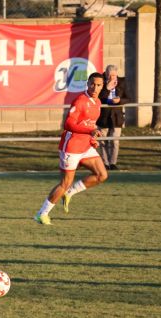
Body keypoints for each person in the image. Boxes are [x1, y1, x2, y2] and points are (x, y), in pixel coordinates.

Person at [34, 72, 108, 225]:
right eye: (93, 84)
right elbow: (68, 124)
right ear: (87, 83)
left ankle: (70, 193)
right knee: (65, 182)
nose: (95, 87)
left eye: (99, 85)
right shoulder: (80, 101)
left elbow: (89, 124)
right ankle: (42, 214)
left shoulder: (98, 102)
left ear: (102, 86)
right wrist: (90, 132)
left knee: (102, 175)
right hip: (71, 147)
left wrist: (92, 138)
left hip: (85, 146)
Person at [97, 65, 129, 170]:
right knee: (102, 141)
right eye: (109, 75)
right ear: (105, 74)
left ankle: (113, 163)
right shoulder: (99, 80)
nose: (112, 78)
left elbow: (128, 98)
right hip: (103, 116)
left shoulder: (122, 82)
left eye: (114, 75)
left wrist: (119, 101)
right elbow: (98, 98)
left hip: (116, 116)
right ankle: (105, 163)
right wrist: (107, 88)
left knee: (115, 141)